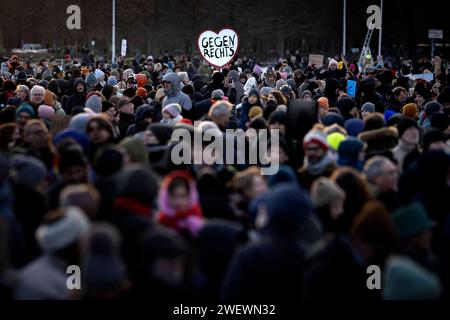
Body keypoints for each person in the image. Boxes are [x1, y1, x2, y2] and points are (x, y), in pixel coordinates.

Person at [14, 207, 91, 299]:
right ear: (73, 243)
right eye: (85, 237)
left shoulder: (72, 267)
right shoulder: (41, 284)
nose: (88, 243)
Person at [157, 170, 204, 239]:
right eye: (174, 196)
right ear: (166, 197)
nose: (179, 202)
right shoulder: (162, 223)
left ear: (190, 197)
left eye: (183, 196)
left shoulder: (197, 222)